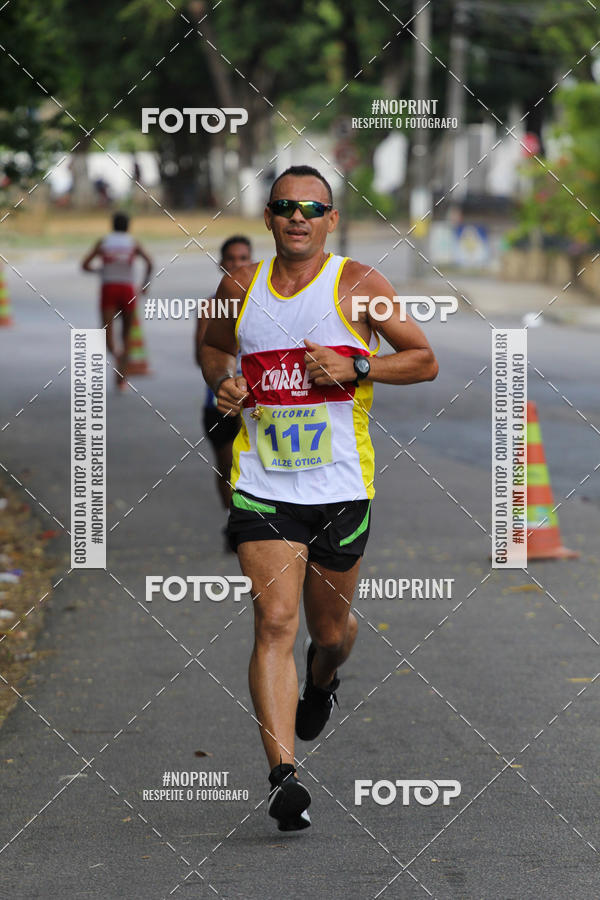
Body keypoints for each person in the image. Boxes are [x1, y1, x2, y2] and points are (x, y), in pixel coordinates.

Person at [199, 164, 438, 832]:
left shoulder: (361, 285)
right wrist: (225, 385)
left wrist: (360, 364)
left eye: (312, 207)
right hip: (263, 485)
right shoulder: (239, 286)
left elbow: (423, 359)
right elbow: (215, 346)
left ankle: (324, 679)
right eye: (284, 206)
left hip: (339, 488)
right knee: (274, 621)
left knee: (328, 632)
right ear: (269, 217)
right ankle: (283, 777)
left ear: (330, 219)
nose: (297, 216)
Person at [195, 236, 253, 550]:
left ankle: (251, 525)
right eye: (231, 259)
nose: (237, 264)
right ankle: (233, 517)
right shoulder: (209, 307)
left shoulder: (267, 305)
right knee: (227, 467)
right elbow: (201, 356)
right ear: (221, 263)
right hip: (219, 402)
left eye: (243, 258)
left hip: (258, 404)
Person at [82, 212, 153, 390]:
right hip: (127, 290)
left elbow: (85, 265)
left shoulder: (103, 242)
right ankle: (121, 377)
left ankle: (117, 356)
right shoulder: (133, 243)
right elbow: (150, 263)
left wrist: (100, 270)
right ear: (128, 226)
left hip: (109, 289)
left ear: (112, 225)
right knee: (127, 335)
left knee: (107, 333)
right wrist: (145, 285)